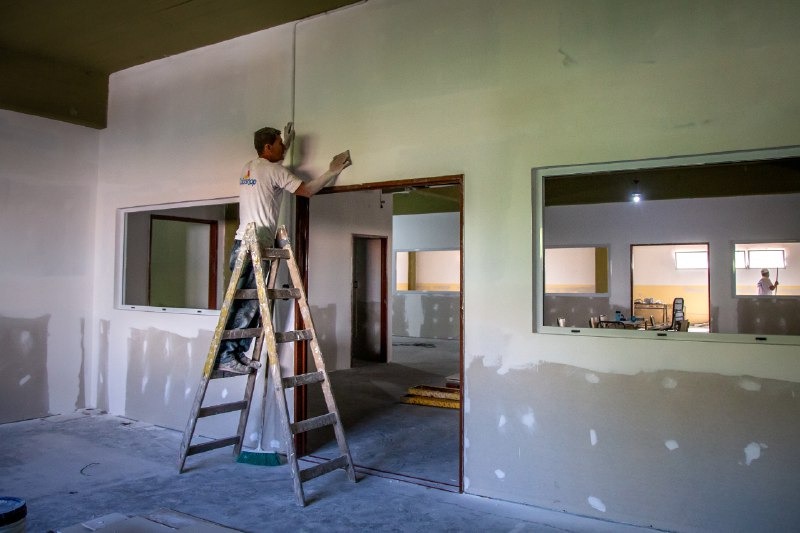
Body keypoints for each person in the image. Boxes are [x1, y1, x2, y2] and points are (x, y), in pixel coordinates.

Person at [216, 122, 351, 373]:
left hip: (242, 242)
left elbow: (271, 171)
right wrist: (332, 171)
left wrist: (286, 146)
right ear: (268, 147)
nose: (282, 148)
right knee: (248, 304)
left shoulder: (249, 167)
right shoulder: (272, 171)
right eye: (279, 144)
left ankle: (234, 352)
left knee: (248, 303)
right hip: (254, 243)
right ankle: (227, 355)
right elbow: (306, 191)